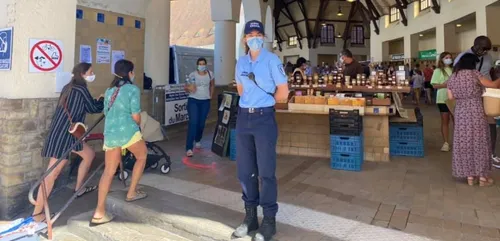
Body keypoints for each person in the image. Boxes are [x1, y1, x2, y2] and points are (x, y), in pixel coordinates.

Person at [232, 20, 289, 241]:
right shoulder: (241, 63)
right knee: (245, 172)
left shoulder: (272, 60)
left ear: (263, 37)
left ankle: (268, 221)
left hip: (264, 117)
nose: (254, 37)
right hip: (244, 117)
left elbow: (283, 91)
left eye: (258, 34)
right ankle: (250, 217)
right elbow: (240, 88)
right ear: (245, 39)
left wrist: (265, 104)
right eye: (250, 34)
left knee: (266, 172)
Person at [33, 63, 103, 222]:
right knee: (52, 175)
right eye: (91, 72)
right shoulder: (81, 89)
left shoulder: (69, 87)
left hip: (64, 133)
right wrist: (104, 101)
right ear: (84, 73)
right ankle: (37, 214)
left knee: (89, 154)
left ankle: (79, 188)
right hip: (65, 135)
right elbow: (92, 107)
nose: (93, 74)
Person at [91, 59, 148, 226]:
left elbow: (107, 111)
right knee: (142, 156)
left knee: (108, 171)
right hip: (127, 132)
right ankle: (131, 192)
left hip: (111, 133)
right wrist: (139, 124)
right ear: (130, 73)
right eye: (133, 72)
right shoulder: (132, 89)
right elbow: (135, 116)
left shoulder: (109, 91)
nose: (134, 74)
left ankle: (99, 212)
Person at [447, 53, 500, 186]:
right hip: (476, 110)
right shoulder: (475, 74)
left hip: (460, 112)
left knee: (464, 142)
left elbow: (451, 97)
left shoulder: (453, 77)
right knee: (479, 141)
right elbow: (493, 85)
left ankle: (470, 177)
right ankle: (482, 178)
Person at [454, 36, 499, 166]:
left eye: (487, 50)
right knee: (471, 127)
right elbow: (456, 75)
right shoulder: (463, 56)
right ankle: (471, 156)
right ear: (477, 45)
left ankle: (491, 153)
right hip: (470, 95)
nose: (485, 52)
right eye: (483, 49)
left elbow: (490, 72)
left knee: (490, 122)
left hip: (487, 93)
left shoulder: (488, 57)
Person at [184, 57, 215, 157]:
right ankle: (189, 147)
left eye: (203, 64)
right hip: (193, 100)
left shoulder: (210, 74)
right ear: (197, 65)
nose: (201, 65)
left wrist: (211, 95)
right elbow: (186, 87)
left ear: (206, 65)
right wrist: (190, 88)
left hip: (205, 101)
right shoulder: (192, 75)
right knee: (193, 122)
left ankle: (198, 139)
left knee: (201, 123)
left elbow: (212, 85)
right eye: (200, 64)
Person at [431, 52, 454, 152]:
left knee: (456, 121)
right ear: (442, 59)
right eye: (446, 57)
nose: (449, 59)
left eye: (450, 57)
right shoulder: (438, 71)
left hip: (454, 98)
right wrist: (445, 85)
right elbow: (435, 85)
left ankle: (458, 141)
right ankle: (446, 143)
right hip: (442, 99)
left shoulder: (455, 70)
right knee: (445, 120)